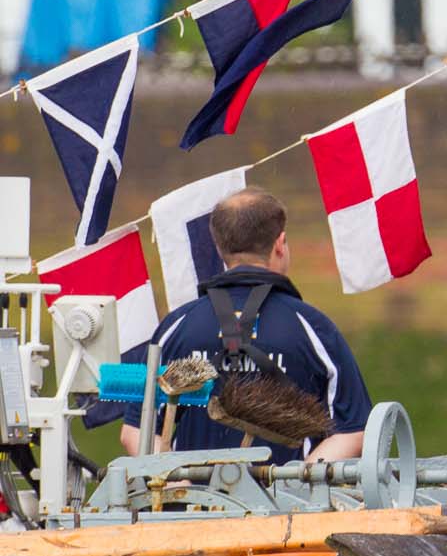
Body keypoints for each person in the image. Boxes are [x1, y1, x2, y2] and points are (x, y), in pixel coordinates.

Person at [119, 187, 371, 462]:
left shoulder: (176, 326)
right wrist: (296, 488)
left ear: (218, 247)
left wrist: (176, 485)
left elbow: (136, 431)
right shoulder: (312, 327)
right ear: (280, 243)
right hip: (292, 503)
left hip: (187, 502)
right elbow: (354, 430)